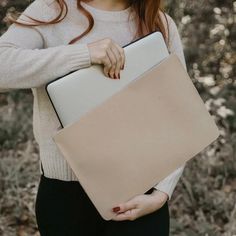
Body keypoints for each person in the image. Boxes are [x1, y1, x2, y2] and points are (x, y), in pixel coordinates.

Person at [0, 0, 187, 235]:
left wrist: (161, 194)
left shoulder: (159, 23)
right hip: (64, 199)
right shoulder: (51, 9)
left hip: (141, 198)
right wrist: (83, 54)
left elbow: (180, 115)